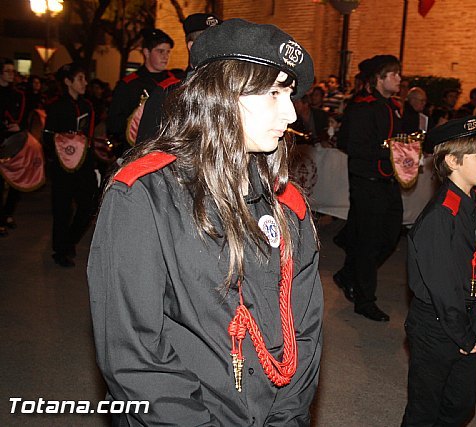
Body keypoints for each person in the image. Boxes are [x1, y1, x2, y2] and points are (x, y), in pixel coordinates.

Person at [88, 18, 323, 425]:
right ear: (219, 93)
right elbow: (134, 355)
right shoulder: (142, 196)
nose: (290, 112)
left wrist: (285, 418)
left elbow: (304, 331)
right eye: (272, 92)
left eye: (289, 92)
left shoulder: (290, 204)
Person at [402, 116, 476, 426]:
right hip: (438, 324)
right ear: (453, 161)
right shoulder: (441, 217)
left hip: (466, 318)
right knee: (424, 411)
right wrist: (465, 334)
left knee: (459, 406)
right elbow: (444, 288)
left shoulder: (474, 204)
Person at [333, 54, 402, 322]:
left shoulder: (392, 106)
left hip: (388, 183)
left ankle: (349, 274)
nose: (399, 79)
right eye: (393, 74)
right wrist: (390, 152)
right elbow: (351, 145)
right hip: (367, 184)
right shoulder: (364, 107)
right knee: (369, 243)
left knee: (390, 236)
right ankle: (365, 299)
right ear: (379, 79)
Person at [135, 13, 222, 144]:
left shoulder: (229, 86)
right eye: (212, 44)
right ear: (193, 47)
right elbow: (146, 149)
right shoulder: (168, 93)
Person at [43, 63, 98, 267]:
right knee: (62, 210)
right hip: (61, 168)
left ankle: (70, 240)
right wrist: (65, 142)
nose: (85, 83)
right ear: (68, 82)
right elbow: (47, 137)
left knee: (89, 204)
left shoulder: (88, 106)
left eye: (85, 78)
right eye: (80, 78)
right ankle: (60, 250)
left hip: (83, 166)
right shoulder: (56, 106)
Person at [106, 28, 179, 158]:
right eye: (160, 51)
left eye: (168, 52)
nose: (165, 56)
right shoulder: (129, 85)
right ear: (146, 52)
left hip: (168, 152)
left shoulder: (175, 82)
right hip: (136, 153)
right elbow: (114, 124)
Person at [0, 57, 26, 235]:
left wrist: (20, 126)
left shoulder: (18, 94)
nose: (11, 74)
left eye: (13, 71)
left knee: (16, 181)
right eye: (8, 71)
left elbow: (25, 116)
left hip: (14, 142)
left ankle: (7, 213)